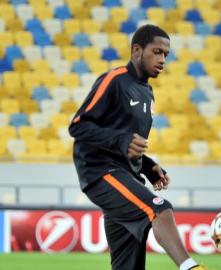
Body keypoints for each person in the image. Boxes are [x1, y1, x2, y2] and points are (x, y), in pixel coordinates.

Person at [69, 24, 206, 270]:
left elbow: (127, 144)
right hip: (100, 173)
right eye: (157, 52)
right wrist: (121, 141)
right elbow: (78, 126)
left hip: (125, 177)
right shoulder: (114, 80)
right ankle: (190, 267)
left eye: (166, 54)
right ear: (137, 50)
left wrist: (146, 165)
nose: (163, 59)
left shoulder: (147, 93)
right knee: (159, 209)